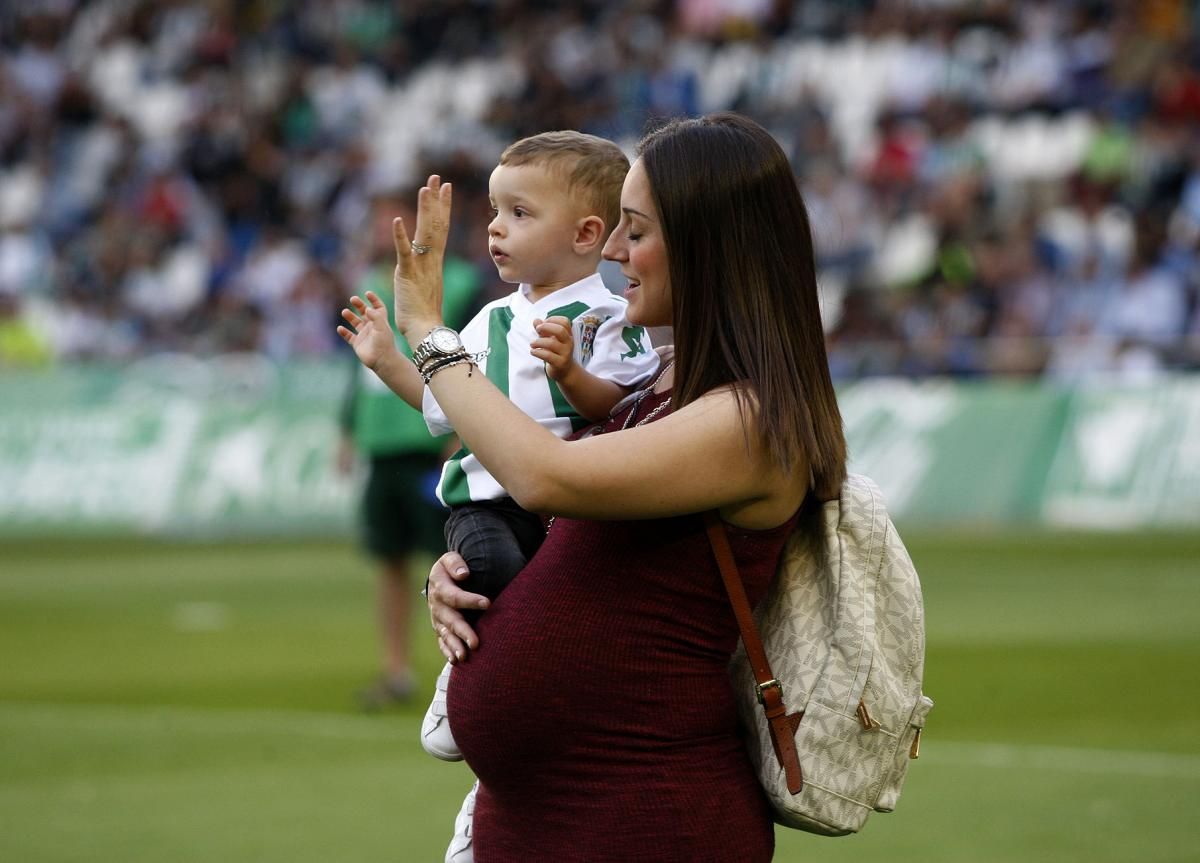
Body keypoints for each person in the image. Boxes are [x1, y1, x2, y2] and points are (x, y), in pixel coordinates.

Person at [340, 112, 847, 862]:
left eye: (634, 230)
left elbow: (547, 477)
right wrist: (462, 588)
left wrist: (430, 332)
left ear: (709, 246)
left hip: (643, 818)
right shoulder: (667, 385)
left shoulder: (750, 418)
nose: (611, 248)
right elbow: (574, 550)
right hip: (545, 815)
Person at [340, 132, 659, 760]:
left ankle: (516, 693)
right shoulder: (488, 320)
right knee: (486, 571)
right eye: (493, 212)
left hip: (569, 503)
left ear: (586, 234)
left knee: (555, 608)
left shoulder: (612, 317)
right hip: (484, 501)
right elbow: (445, 404)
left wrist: (572, 376)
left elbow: (623, 408)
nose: (494, 229)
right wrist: (387, 362)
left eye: (519, 213)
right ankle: (464, 679)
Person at [337, 190, 480, 710]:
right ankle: (396, 670)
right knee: (390, 560)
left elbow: (473, 355)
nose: (382, 229)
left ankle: (460, 677)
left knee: (451, 563)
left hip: (431, 445)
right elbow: (357, 369)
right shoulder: (367, 283)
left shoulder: (460, 282)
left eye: (392, 219)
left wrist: (461, 433)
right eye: (377, 219)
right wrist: (348, 430)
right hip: (383, 446)